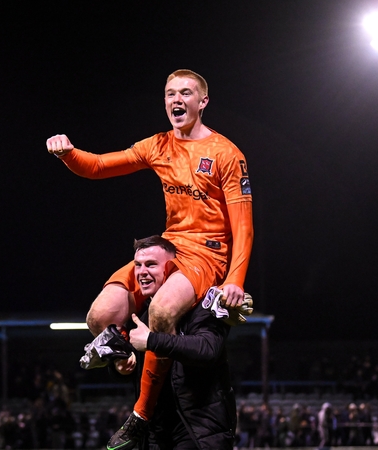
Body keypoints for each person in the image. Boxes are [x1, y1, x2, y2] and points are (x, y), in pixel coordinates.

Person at [47, 69, 254, 448]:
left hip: (208, 253)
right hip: (171, 245)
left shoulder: (226, 153)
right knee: (100, 315)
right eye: (170, 93)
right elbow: (97, 166)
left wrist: (235, 280)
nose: (177, 100)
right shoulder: (158, 145)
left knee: (160, 312)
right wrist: (67, 154)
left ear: (202, 102)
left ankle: (141, 415)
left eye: (186, 93)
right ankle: (122, 352)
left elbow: (244, 226)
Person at [114, 235, 243, 449]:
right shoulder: (141, 315)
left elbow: (208, 350)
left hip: (199, 432)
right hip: (156, 433)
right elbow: (133, 375)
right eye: (138, 265)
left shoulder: (205, 304)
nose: (142, 272)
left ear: (173, 269)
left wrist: (152, 340)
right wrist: (119, 366)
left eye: (151, 265)